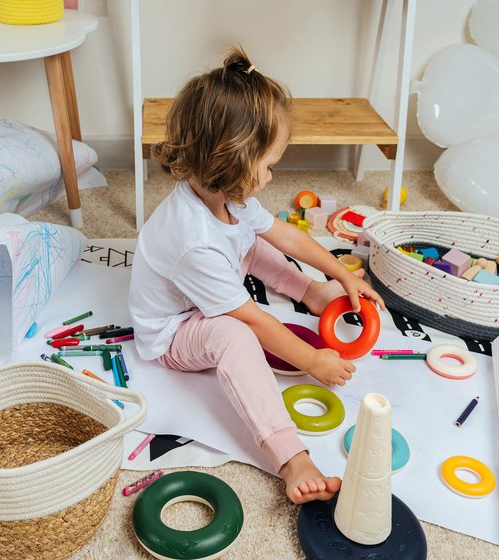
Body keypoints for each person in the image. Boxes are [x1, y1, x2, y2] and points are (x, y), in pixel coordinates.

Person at [128, 47, 385, 504]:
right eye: (269, 166)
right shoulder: (193, 240)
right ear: (232, 161)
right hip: (173, 333)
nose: (272, 176)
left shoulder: (230, 195)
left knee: (254, 239)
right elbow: (253, 321)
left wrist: (336, 278)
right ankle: (290, 457)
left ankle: (310, 294)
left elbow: (283, 236)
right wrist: (313, 360)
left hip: (211, 280)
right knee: (233, 335)